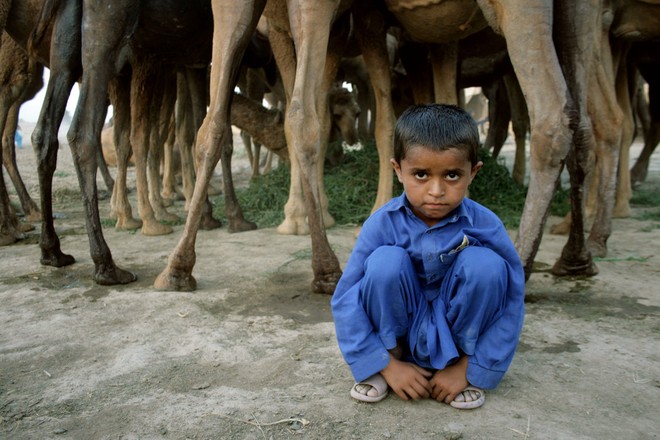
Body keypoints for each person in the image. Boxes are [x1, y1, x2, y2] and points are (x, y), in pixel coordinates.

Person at [331, 103, 525, 409]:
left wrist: (473, 366)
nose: (436, 191)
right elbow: (346, 298)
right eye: (420, 174)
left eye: (452, 175)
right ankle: (388, 364)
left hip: (459, 336)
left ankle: (461, 366)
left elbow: (513, 299)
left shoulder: (485, 224)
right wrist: (381, 362)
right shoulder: (382, 223)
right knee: (384, 263)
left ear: (473, 173)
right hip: (399, 339)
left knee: (487, 266)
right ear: (398, 170)